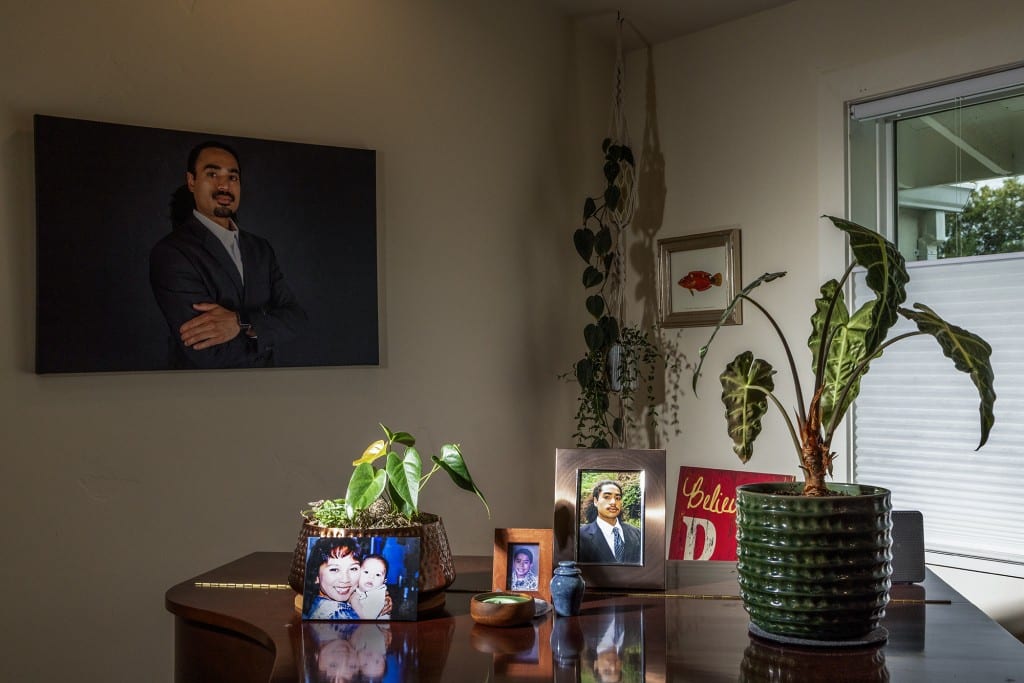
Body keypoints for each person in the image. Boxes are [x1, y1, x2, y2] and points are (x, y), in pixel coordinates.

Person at [149, 140, 306, 369]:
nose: (224, 185)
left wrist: (240, 322)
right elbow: (208, 351)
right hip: (204, 389)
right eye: (212, 174)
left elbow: (296, 318)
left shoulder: (260, 249)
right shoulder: (172, 253)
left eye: (233, 177)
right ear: (192, 181)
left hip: (268, 387)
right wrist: (266, 330)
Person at [577, 480, 642, 564]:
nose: (613, 502)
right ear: (596, 501)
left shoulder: (637, 533)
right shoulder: (581, 535)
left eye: (618, 498)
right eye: (607, 497)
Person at [303, 539, 364, 620]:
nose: (345, 579)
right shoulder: (340, 614)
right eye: (334, 569)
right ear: (316, 576)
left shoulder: (313, 603)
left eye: (353, 569)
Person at [351, 554, 390, 620]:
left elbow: (366, 619)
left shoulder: (378, 596)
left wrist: (354, 600)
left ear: (384, 581)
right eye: (366, 572)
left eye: (377, 575)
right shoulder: (357, 587)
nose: (371, 577)